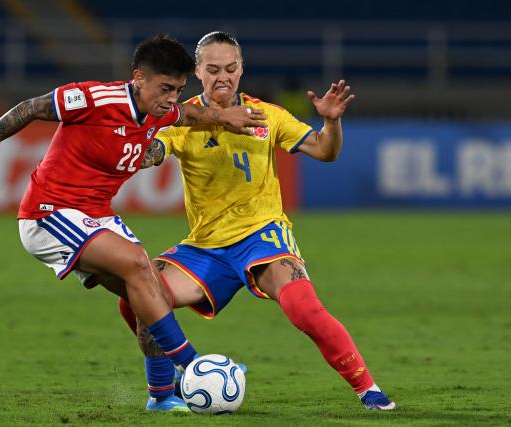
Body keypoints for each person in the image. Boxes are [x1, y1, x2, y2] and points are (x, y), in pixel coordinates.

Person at [0, 34, 267, 396]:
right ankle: (194, 366)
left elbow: (192, 113)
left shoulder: (161, 111)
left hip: (94, 216)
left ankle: (162, 397)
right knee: (138, 264)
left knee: (151, 292)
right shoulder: (96, 98)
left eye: (177, 89)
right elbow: (30, 107)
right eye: (164, 88)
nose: (171, 99)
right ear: (138, 78)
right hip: (49, 212)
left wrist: (225, 116)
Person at [117, 31, 396, 411]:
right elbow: (149, 153)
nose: (223, 77)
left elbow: (325, 151)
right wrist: (135, 140)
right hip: (205, 248)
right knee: (138, 297)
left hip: (263, 236)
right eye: (213, 69)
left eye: (231, 69)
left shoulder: (268, 115)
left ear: (241, 69)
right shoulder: (180, 120)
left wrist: (331, 123)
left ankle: (370, 391)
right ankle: (163, 396)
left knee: (304, 309)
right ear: (197, 71)